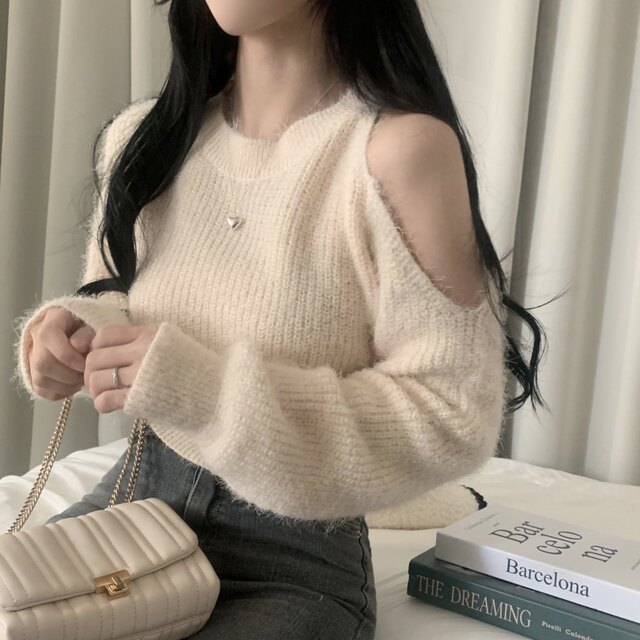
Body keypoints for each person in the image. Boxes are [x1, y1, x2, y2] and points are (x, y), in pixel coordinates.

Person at [12, 0, 548, 638]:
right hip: (135, 507)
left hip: (292, 558)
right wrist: (74, 333)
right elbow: (118, 299)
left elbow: (451, 413)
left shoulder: (397, 153)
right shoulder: (145, 138)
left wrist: (206, 390)